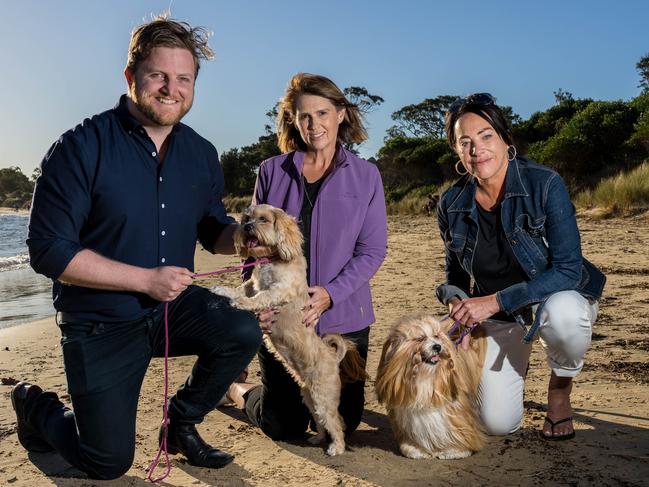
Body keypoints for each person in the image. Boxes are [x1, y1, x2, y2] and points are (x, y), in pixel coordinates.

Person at [12, 16, 262, 480]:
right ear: (132, 77)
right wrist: (144, 279)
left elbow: (213, 230)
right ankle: (34, 406)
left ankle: (181, 425)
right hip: (100, 321)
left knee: (241, 330)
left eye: (183, 78)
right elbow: (48, 250)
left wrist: (246, 239)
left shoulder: (202, 153)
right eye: (158, 76)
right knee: (106, 462)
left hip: (172, 308)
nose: (171, 89)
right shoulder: (79, 146)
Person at [225, 73, 388, 441]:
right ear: (293, 120)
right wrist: (256, 299)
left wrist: (331, 293)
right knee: (283, 426)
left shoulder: (366, 176)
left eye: (323, 113)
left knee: (341, 423)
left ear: (341, 114)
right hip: (283, 318)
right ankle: (237, 389)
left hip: (343, 316)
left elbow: (373, 249)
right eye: (304, 116)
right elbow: (251, 245)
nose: (314, 126)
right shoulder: (271, 170)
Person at [436, 93, 605, 440]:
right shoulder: (451, 203)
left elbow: (569, 271)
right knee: (497, 424)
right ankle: (518, 356)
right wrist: (457, 306)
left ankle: (559, 391)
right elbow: (454, 275)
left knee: (565, 316)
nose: (476, 149)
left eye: (486, 136)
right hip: (500, 317)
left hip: (555, 299)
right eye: (464, 141)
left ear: (505, 139)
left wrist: (494, 301)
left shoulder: (544, 184)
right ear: (456, 151)